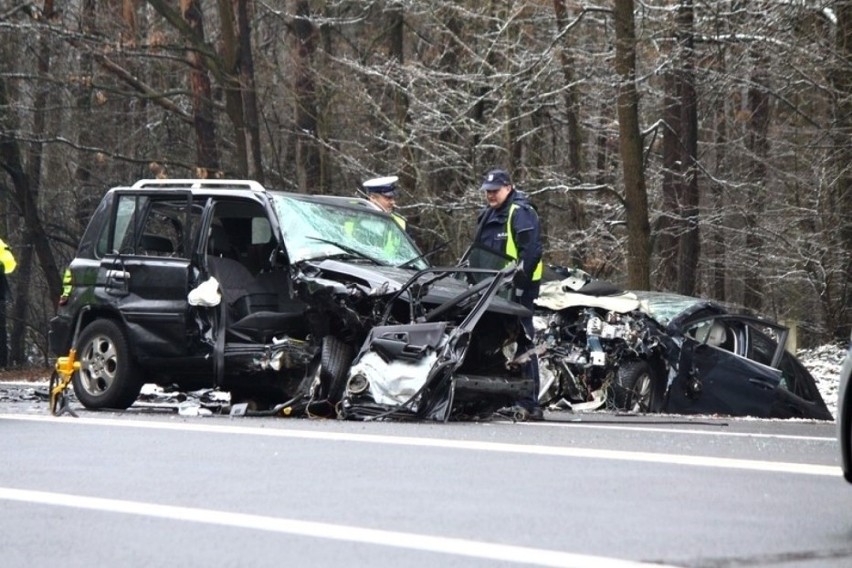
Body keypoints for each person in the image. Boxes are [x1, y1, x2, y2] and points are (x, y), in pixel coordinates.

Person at [472, 168, 544, 421]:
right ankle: (501, 396)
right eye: (488, 191)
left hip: (518, 289)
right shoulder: (487, 215)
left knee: (522, 339)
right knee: (494, 339)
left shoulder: (520, 213)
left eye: (495, 191)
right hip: (492, 288)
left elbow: (532, 252)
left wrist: (520, 283)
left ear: (509, 187)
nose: (490, 195)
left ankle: (529, 402)